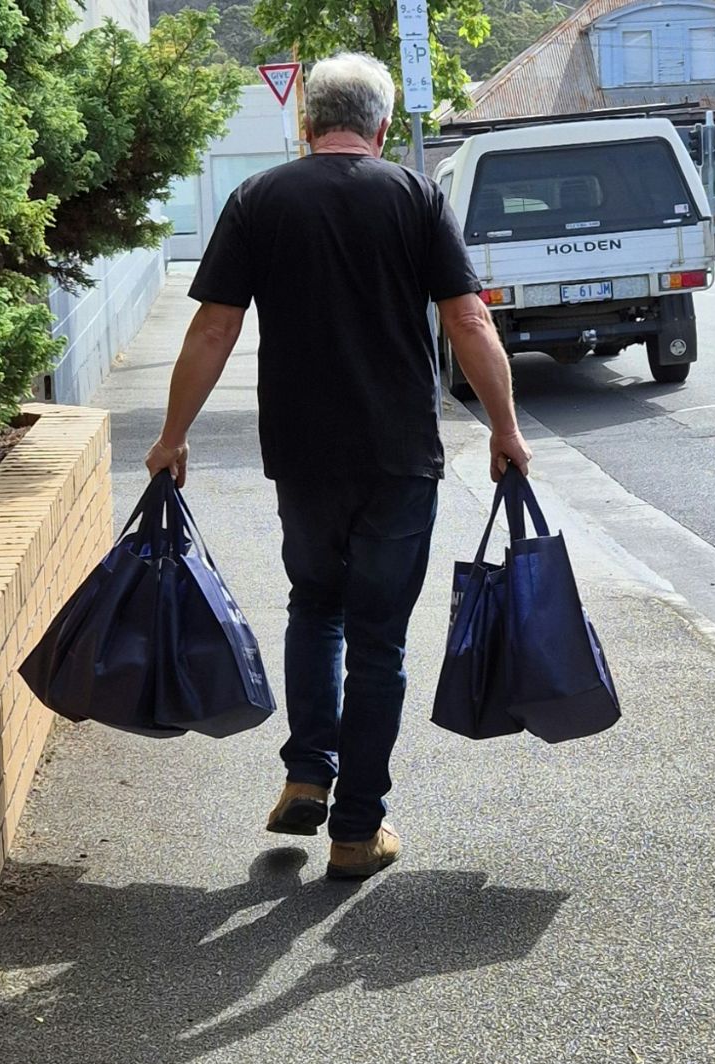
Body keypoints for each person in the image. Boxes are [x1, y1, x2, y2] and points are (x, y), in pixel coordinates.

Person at [143, 52, 531, 880]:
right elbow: (467, 319)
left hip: (302, 454)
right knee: (379, 642)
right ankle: (356, 831)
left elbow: (214, 328)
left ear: (307, 122)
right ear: (382, 127)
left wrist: (174, 434)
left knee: (314, 607)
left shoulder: (259, 199)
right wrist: (504, 426)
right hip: (398, 457)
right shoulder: (415, 196)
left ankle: (305, 771)